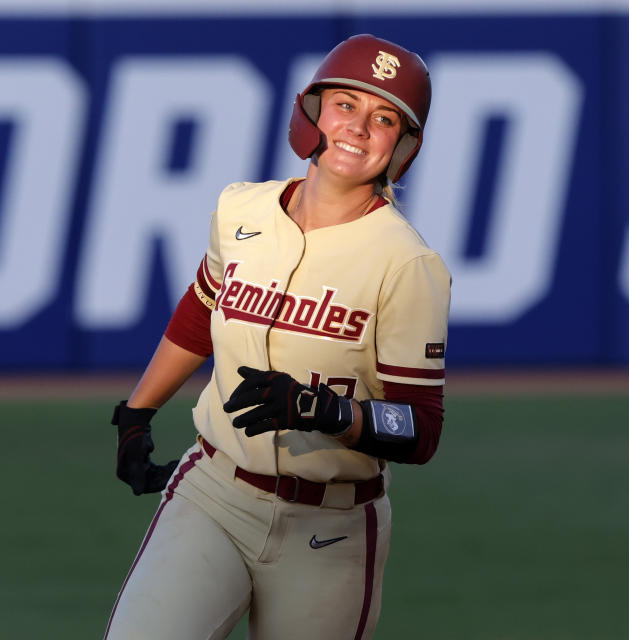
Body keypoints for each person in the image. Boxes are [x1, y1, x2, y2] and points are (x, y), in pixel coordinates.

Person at [105, 33, 450, 640]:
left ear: (404, 146)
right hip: (212, 491)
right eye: (347, 105)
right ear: (313, 112)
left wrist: (329, 411)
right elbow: (201, 309)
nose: (360, 128)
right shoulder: (242, 210)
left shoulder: (406, 264)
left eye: (385, 118)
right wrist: (138, 410)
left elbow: (420, 428)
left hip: (331, 528)